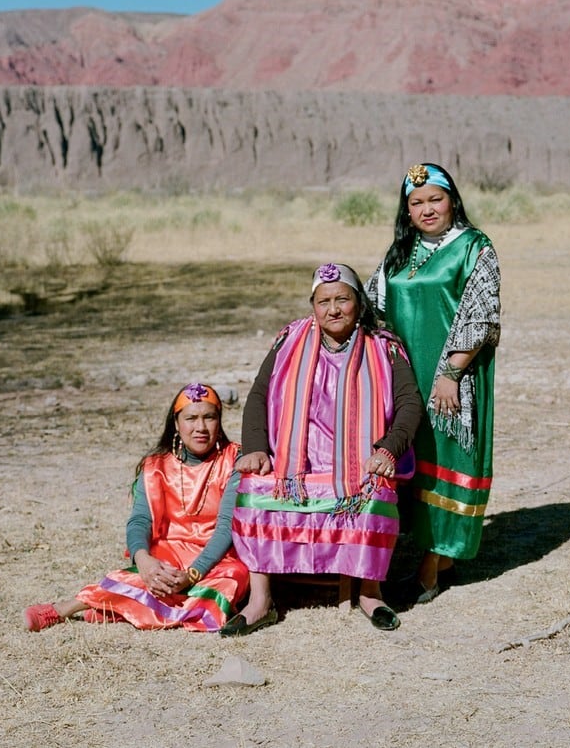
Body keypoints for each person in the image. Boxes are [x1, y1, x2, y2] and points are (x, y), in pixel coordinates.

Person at [220, 263, 423, 636]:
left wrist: (389, 449)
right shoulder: (289, 339)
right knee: (254, 488)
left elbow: (410, 402)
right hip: (295, 464)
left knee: (374, 489)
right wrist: (255, 447)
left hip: (357, 462)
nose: (333, 309)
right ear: (313, 305)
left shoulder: (383, 346)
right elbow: (259, 395)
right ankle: (261, 600)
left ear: (358, 303)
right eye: (323, 301)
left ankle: (370, 592)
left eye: (342, 299)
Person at [366, 163, 501, 603]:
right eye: (416, 203)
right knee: (414, 465)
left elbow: (482, 315)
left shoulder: (474, 247)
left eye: (435, 199)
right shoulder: (398, 253)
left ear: (452, 200)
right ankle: (436, 557)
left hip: (450, 381)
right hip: (406, 381)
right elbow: (371, 306)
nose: (427, 209)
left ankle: (430, 569)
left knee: (447, 464)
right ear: (406, 211)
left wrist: (450, 374)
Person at [23, 383, 249, 631]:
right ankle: (64, 608)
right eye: (191, 418)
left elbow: (227, 526)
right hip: (169, 553)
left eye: (209, 417)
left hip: (217, 558)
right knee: (147, 577)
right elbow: (140, 520)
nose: (200, 427)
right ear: (176, 423)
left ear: (219, 421)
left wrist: (193, 574)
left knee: (235, 578)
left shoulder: (236, 460)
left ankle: (116, 608)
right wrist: (143, 561)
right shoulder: (155, 467)